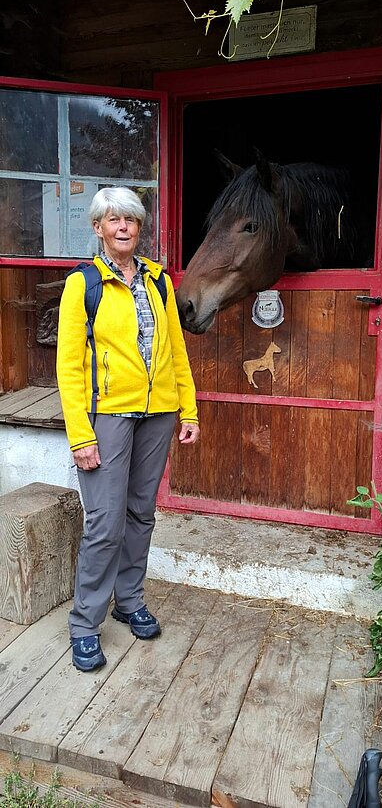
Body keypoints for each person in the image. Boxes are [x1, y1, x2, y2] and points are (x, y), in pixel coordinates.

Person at [57, 187, 200, 672]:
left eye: (131, 221)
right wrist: (81, 435)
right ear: (97, 228)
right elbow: (69, 367)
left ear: (140, 230)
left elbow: (176, 352)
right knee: (104, 521)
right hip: (108, 417)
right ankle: (84, 624)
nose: (123, 227)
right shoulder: (84, 284)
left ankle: (129, 600)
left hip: (158, 413)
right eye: (113, 219)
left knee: (141, 513)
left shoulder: (159, 282)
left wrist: (188, 411)